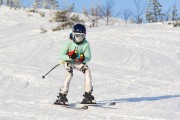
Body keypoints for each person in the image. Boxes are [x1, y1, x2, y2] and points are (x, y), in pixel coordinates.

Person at [54, 24, 96, 105]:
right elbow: (62, 55)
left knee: (87, 70)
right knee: (69, 74)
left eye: (82, 35)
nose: (80, 38)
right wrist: (70, 56)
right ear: (73, 34)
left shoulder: (85, 43)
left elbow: (88, 57)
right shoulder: (69, 42)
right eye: (78, 35)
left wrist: (82, 58)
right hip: (68, 62)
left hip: (78, 62)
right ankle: (62, 95)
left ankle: (88, 95)